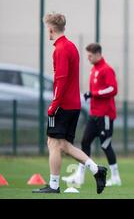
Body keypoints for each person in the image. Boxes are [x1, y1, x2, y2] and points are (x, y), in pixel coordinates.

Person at [33, 13, 107, 194]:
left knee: (52, 143)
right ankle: (97, 170)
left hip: (63, 105)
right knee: (64, 145)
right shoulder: (71, 46)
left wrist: (53, 105)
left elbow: (61, 79)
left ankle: (54, 185)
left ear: (51, 29)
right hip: (73, 104)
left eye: (47, 29)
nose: (47, 32)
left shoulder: (60, 49)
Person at [62, 43, 121, 187]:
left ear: (98, 54)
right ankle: (79, 176)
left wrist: (93, 94)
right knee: (85, 142)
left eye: (90, 55)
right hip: (94, 114)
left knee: (105, 144)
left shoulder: (106, 69)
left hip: (105, 115)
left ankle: (115, 177)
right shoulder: (94, 69)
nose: (88, 58)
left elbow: (113, 89)